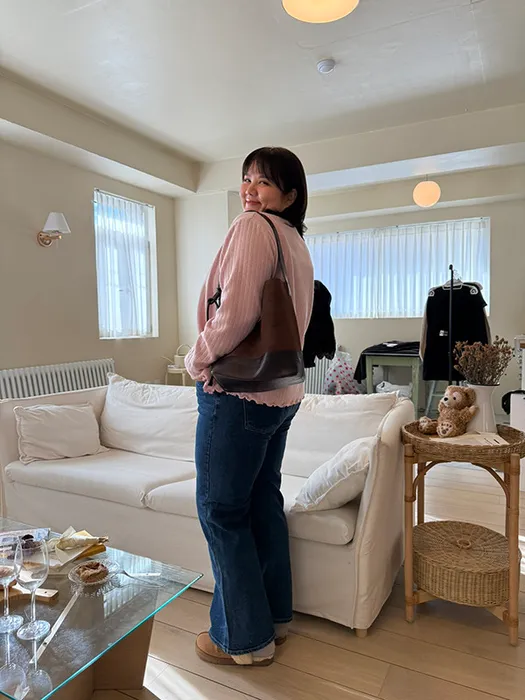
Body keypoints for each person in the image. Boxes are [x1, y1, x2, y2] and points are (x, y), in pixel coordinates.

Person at [185, 146, 314, 667]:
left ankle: (241, 640)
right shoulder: (295, 241)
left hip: (237, 393)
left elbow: (235, 313)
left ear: (289, 194)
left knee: (220, 511)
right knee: (262, 502)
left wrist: (196, 359)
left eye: (264, 182)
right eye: (246, 179)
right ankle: (274, 620)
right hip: (280, 393)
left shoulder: (252, 227)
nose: (250, 190)